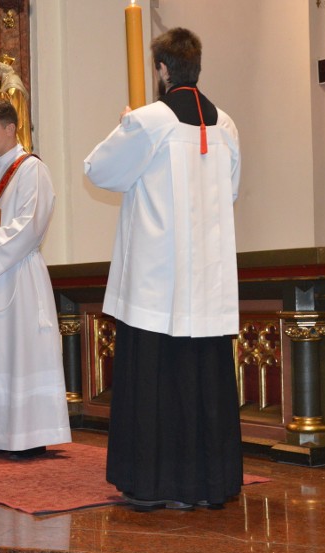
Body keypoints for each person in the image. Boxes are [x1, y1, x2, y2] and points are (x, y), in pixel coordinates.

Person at [83, 28, 243, 511]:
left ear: (162, 70)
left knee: (154, 381)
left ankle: (153, 485)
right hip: (207, 282)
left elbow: (97, 170)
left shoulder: (149, 120)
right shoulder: (226, 125)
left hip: (156, 282)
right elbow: (231, 190)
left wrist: (124, 123)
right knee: (202, 380)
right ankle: (207, 484)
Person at [0, 99, 71, 461]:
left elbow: (31, 226)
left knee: (21, 351)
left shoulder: (32, 170)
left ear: (11, 129)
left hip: (20, 275)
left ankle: (29, 434)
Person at [0, 54, 32, 153]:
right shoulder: (5, 82)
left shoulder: (13, 84)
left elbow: (12, 110)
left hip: (15, 127)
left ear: (3, 68)